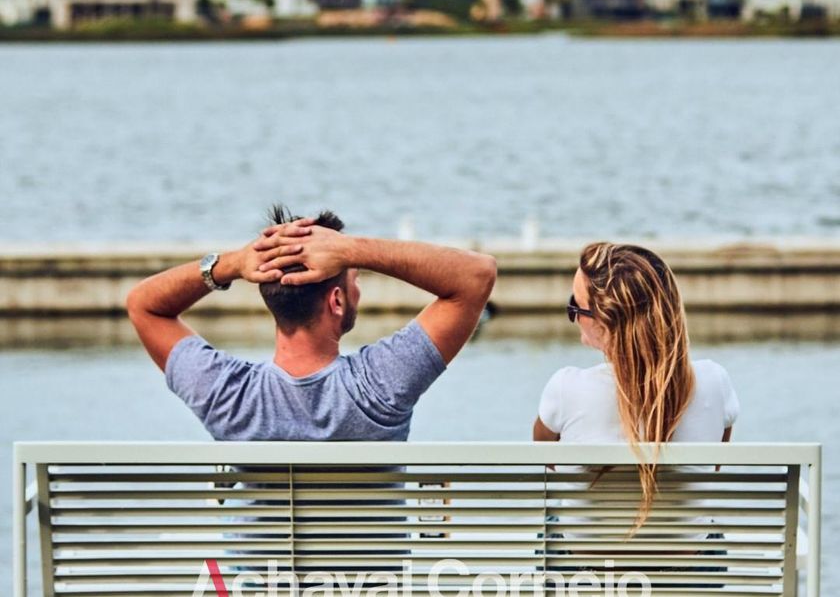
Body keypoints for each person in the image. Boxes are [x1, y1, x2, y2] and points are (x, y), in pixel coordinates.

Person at [126, 205, 496, 442]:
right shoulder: (382, 386)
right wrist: (352, 250)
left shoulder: (228, 395)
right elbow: (476, 276)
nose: (358, 289)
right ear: (337, 301)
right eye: (355, 280)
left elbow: (143, 305)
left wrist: (233, 264)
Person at [533, 241, 740, 529]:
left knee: (553, 518)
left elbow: (547, 461)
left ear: (604, 323)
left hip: (587, 556)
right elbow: (714, 464)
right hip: (687, 555)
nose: (574, 317)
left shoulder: (565, 388)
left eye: (576, 306)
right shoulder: (714, 381)